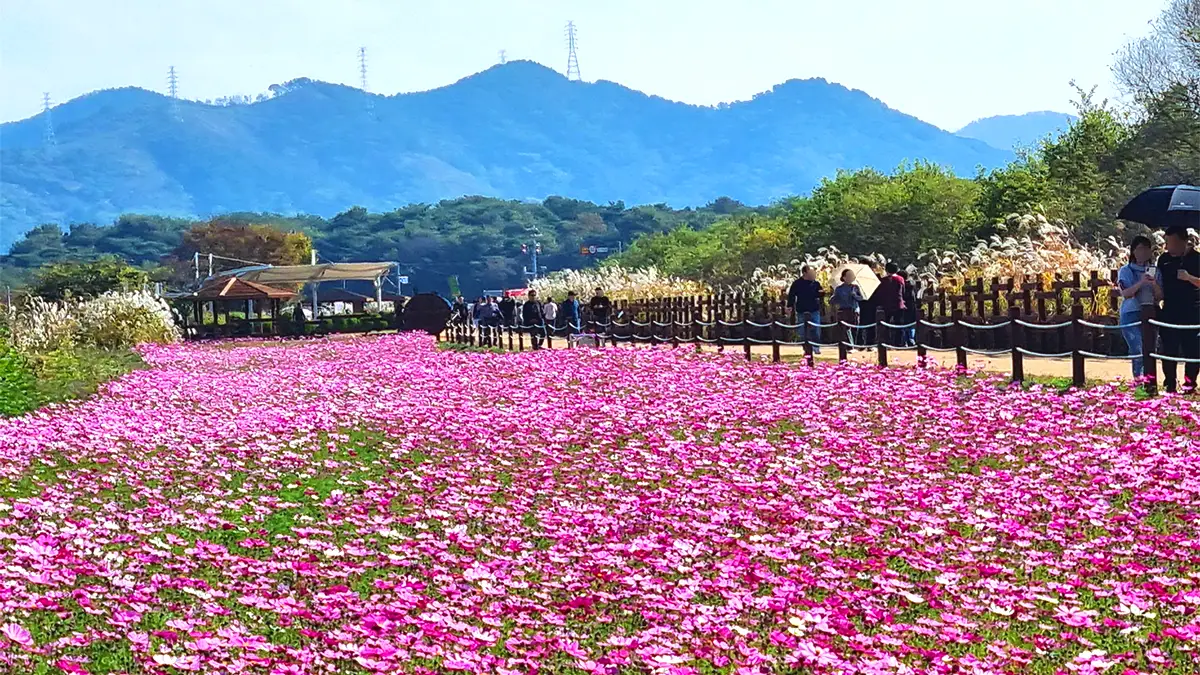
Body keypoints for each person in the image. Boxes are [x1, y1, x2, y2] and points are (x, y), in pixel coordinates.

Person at [1155, 224, 1200, 393]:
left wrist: (1189, 278)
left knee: (1193, 350)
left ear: (1184, 242)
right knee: (1169, 348)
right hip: (1169, 309)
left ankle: (1190, 384)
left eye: (1173, 242)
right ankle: (1170, 384)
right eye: (1167, 242)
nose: (1169, 246)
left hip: (1192, 310)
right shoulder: (1163, 259)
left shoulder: (1196, 258)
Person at [1117, 235, 1162, 380]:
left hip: (1150, 312)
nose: (1142, 252)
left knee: (1150, 348)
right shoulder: (1125, 270)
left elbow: (1160, 296)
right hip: (1131, 314)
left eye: (1146, 249)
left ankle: (1150, 380)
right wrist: (1141, 281)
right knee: (1137, 348)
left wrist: (1154, 283)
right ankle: (1138, 379)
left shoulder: (1156, 270)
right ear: (1133, 252)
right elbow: (1126, 293)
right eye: (1139, 249)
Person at [786, 265, 823, 354]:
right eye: (811, 272)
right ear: (805, 273)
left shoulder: (816, 283)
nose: (813, 274)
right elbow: (791, 295)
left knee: (816, 329)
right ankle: (806, 348)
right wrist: (789, 306)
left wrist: (822, 293)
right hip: (801, 310)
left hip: (814, 309)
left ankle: (816, 347)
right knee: (801, 331)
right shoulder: (797, 283)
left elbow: (820, 294)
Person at [874, 262, 906, 346]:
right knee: (899, 325)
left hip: (886, 305)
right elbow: (903, 291)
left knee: (885, 325)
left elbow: (880, 293)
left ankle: (886, 342)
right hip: (899, 304)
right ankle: (899, 343)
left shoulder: (883, 280)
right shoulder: (900, 279)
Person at [830, 268, 864, 346]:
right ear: (844, 277)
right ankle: (849, 346)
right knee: (845, 329)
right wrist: (833, 298)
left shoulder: (855, 287)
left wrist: (854, 295)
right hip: (843, 310)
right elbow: (834, 300)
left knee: (855, 329)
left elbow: (861, 298)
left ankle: (854, 345)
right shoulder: (839, 288)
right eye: (848, 276)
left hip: (854, 310)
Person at [898, 270, 919, 347]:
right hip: (912, 307)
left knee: (904, 324)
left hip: (904, 306)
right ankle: (911, 339)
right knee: (911, 325)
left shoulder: (902, 285)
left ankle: (905, 340)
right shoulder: (912, 285)